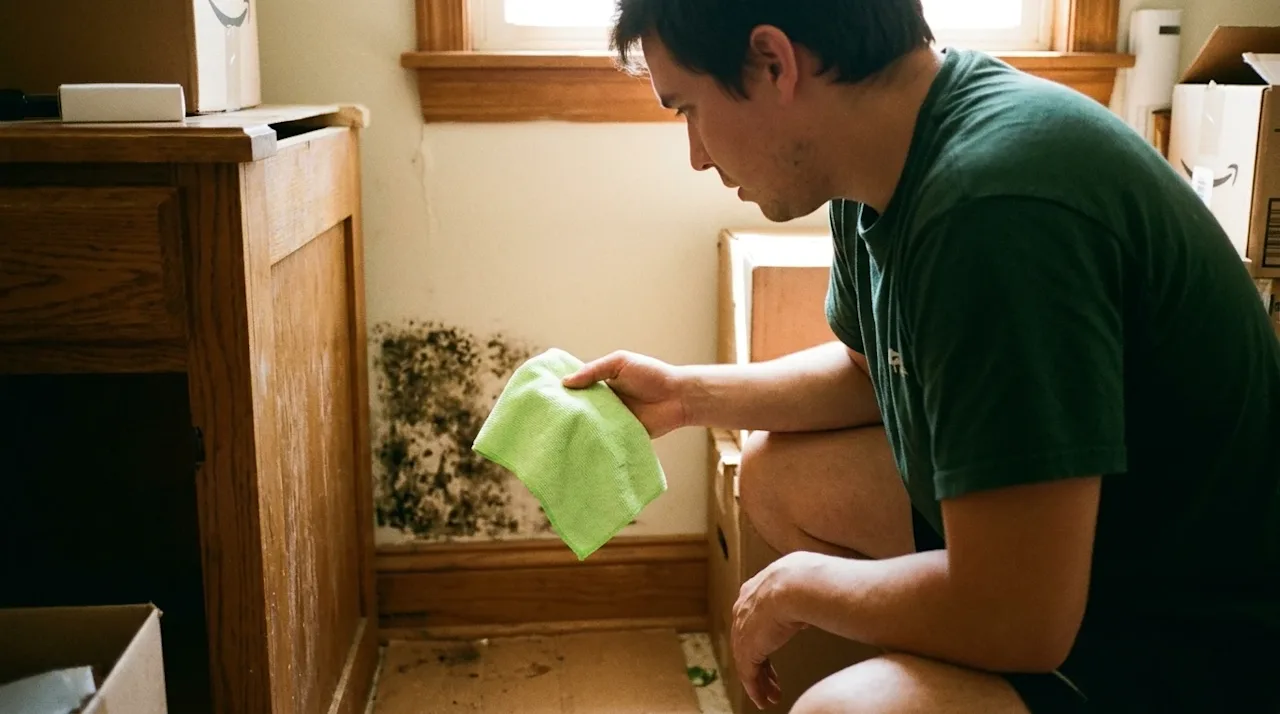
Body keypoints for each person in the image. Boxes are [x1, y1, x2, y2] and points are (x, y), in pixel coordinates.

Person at [560, 0, 1280, 712]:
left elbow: (1020, 613)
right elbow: (870, 375)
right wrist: (686, 396)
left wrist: (799, 587)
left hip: (1199, 642)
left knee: (840, 713)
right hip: (1104, 544)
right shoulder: (879, 156)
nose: (697, 155)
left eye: (687, 108)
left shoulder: (993, 210)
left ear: (773, 62)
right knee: (778, 476)